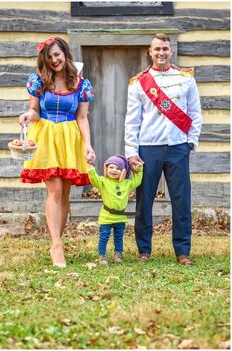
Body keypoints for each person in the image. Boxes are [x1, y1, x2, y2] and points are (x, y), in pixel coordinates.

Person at [124, 33, 202, 266]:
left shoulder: (186, 79)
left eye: (165, 49)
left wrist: (190, 142)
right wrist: (131, 151)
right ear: (150, 51)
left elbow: (195, 114)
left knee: (181, 200)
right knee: (144, 200)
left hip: (178, 146)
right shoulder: (139, 83)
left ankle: (182, 250)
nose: (161, 53)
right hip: (149, 147)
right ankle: (144, 250)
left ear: (171, 51)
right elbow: (132, 121)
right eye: (157, 49)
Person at [19, 36, 95, 268]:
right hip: (47, 136)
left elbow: (82, 117)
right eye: (49, 56)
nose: (54, 60)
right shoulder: (39, 80)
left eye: (57, 55)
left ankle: (57, 240)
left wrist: (87, 145)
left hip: (70, 137)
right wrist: (27, 116)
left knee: (65, 192)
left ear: (65, 54)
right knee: (55, 189)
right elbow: (35, 111)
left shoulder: (81, 83)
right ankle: (56, 246)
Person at [87, 155, 143, 265]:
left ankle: (118, 254)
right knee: (104, 237)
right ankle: (102, 256)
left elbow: (137, 181)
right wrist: (90, 168)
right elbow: (94, 180)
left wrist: (139, 168)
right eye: (111, 167)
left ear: (123, 171)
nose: (114, 170)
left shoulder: (126, 184)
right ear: (106, 168)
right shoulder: (103, 182)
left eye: (118, 168)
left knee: (119, 237)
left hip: (120, 217)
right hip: (106, 216)